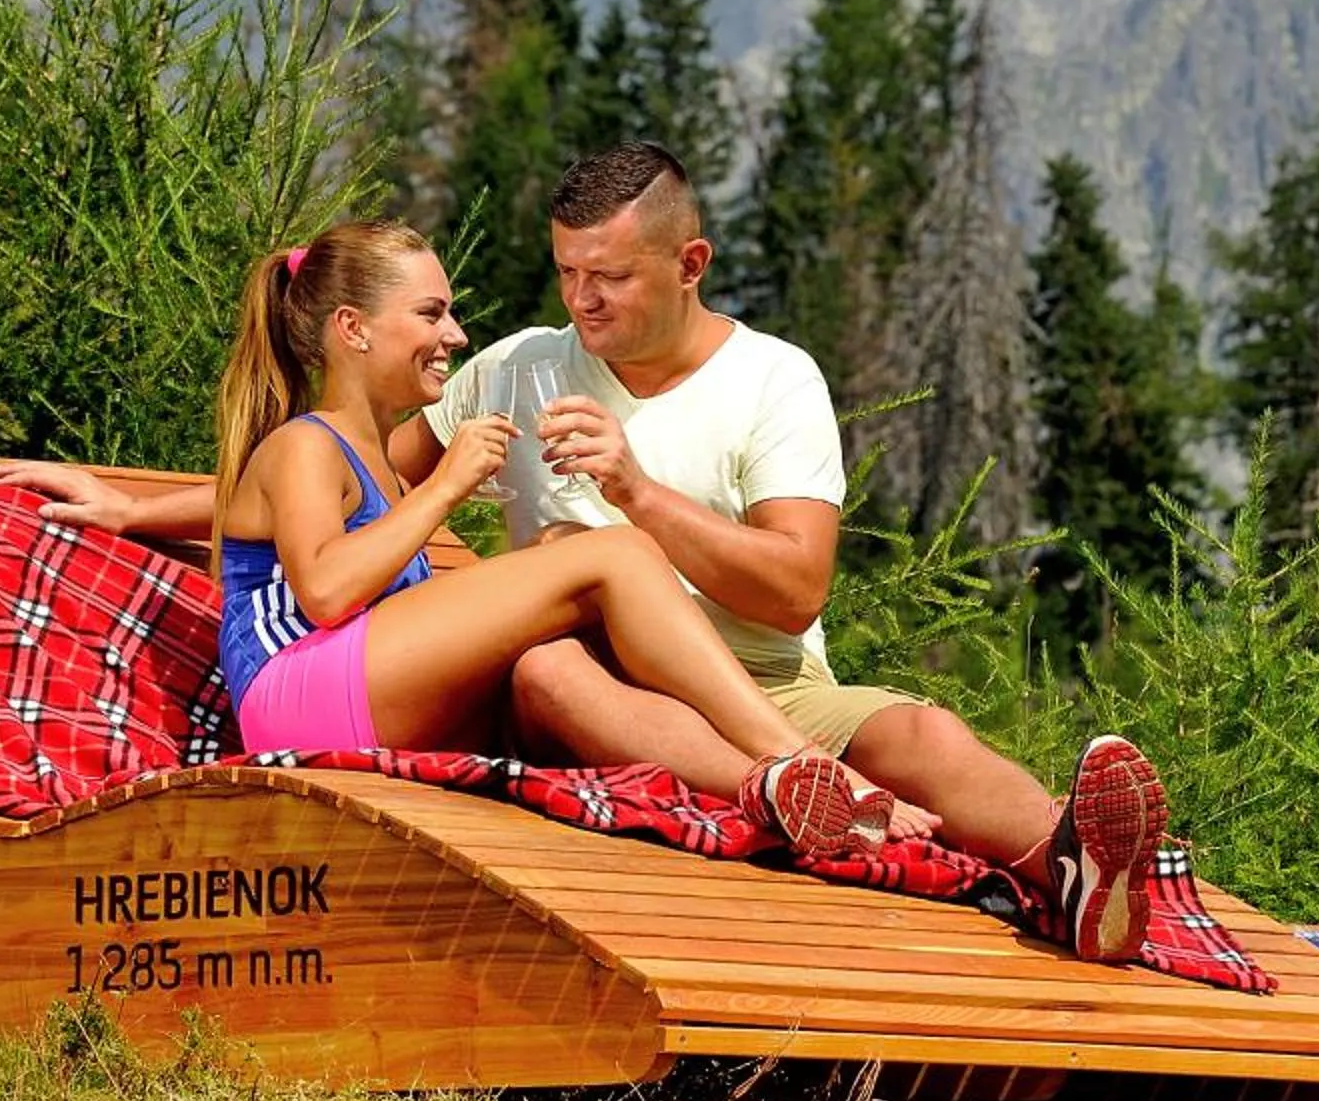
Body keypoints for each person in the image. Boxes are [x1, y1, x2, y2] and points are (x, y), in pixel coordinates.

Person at [7, 150, 1173, 964]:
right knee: (558, 642)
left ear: (689, 263)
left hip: (758, 675)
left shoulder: (776, 380)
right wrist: (129, 503)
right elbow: (316, 491)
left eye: (606, 276)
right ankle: (801, 791)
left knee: (920, 731)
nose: (578, 298)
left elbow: (797, 585)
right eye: (566, 270)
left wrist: (636, 489)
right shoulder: (514, 368)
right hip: (582, 683)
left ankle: (1071, 872)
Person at [187, 215, 896, 859]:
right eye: (431, 314)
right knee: (614, 552)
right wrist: (445, 486)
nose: (455, 336)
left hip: (352, 692)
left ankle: (767, 789)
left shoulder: (369, 454)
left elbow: (240, 516)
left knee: (560, 609)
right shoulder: (306, 446)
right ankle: (798, 758)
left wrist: (129, 510)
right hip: (298, 699)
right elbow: (327, 591)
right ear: (353, 328)